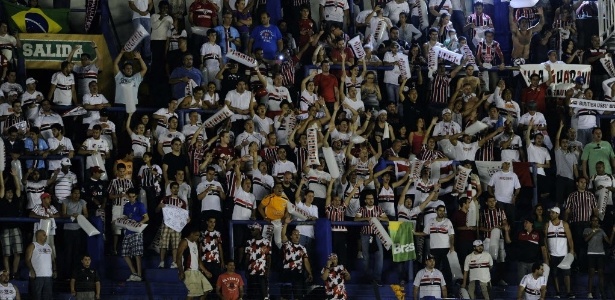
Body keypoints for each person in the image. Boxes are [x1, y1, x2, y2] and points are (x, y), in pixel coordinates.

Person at [176, 226, 213, 300]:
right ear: (191, 234)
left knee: (207, 289)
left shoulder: (195, 243)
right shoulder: (184, 242)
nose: (198, 237)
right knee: (192, 293)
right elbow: (178, 257)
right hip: (189, 271)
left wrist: (206, 271)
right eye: (196, 235)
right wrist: (181, 271)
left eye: (198, 235)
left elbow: (198, 260)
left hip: (197, 271)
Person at [545, 207, 574, 298]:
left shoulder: (564, 224)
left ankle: (568, 292)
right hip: (552, 254)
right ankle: (557, 292)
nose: (551, 214)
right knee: (554, 274)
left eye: (553, 213)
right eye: (550, 213)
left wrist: (572, 250)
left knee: (566, 274)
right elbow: (545, 239)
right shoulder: (547, 225)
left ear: (557, 214)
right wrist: (547, 252)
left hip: (563, 254)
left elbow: (569, 238)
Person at [280, 218, 313, 300]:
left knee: (298, 296)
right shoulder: (287, 244)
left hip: (298, 273)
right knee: (285, 296)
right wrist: (286, 224)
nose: (297, 235)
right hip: (287, 272)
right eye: (295, 234)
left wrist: (310, 273)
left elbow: (306, 261)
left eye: (298, 234)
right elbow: (283, 235)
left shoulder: (303, 248)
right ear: (291, 236)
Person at [583, 216, 614, 299]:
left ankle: (602, 292)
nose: (596, 222)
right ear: (591, 222)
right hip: (591, 253)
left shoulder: (601, 231)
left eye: (597, 221)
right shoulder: (587, 230)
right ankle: (589, 293)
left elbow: (609, 242)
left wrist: (613, 232)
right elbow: (586, 239)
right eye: (594, 220)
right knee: (591, 274)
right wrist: (594, 231)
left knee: (601, 274)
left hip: (600, 253)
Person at [121, 188, 149, 282]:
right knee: (125, 253)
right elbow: (125, 215)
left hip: (137, 231)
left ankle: (139, 275)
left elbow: (146, 218)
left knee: (137, 254)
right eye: (130, 196)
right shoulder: (126, 205)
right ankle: (134, 272)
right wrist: (123, 219)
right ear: (127, 196)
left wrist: (139, 223)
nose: (132, 198)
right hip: (128, 230)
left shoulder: (140, 205)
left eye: (134, 196)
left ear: (136, 196)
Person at [25, 230, 56, 300]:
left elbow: (53, 260)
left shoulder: (48, 246)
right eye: (44, 235)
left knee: (48, 297)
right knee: (36, 297)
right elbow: (27, 259)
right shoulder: (33, 245)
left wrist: (54, 270)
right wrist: (31, 270)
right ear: (38, 236)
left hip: (48, 276)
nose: (46, 236)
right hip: (37, 276)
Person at [243, 223, 271, 300]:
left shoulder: (266, 242)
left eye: (253, 229)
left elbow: (268, 257)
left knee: (264, 294)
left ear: (258, 230)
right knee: (252, 294)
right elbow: (247, 257)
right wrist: (246, 270)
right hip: (251, 272)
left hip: (262, 272)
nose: (251, 231)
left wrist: (267, 271)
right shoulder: (249, 242)